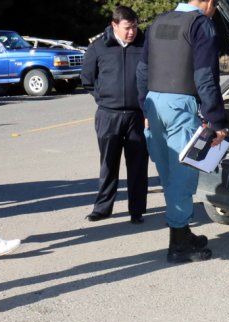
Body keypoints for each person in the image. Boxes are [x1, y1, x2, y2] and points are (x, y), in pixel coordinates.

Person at [137, 0, 228, 263]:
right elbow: (205, 77)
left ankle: (182, 232)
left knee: (167, 173)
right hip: (181, 105)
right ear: (208, 2)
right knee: (183, 174)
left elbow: (142, 70)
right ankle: (178, 245)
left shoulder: (159, 21)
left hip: (154, 103)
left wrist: (145, 108)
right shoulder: (201, 24)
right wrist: (216, 121)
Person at [81, 6, 148, 224]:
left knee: (138, 166)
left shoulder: (144, 45)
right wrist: (104, 98)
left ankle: (137, 210)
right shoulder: (98, 47)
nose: (132, 32)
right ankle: (102, 208)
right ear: (114, 25)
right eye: (127, 28)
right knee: (108, 164)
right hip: (108, 115)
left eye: (135, 27)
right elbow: (87, 79)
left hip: (137, 115)